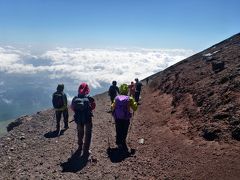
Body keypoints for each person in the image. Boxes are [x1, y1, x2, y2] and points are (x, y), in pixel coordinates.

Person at [71, 83, 96, 157]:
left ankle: (80, 146)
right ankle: (86, 149)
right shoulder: (89, 98)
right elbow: (93, 107)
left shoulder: (75, 98)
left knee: (80, 132)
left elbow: (72, 107)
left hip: (78, 118)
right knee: (88, 133)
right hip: (87, 118)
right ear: (87, 89)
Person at [111, 84, 137, 152]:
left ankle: (119, 143)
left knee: (118, 129)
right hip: (126, 117)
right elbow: (135, 108)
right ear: (127, 90)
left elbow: (112, 107)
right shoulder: (129, 98)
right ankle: (123, 142)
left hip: (117, 117)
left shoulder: (116, 98)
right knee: (124, 130)